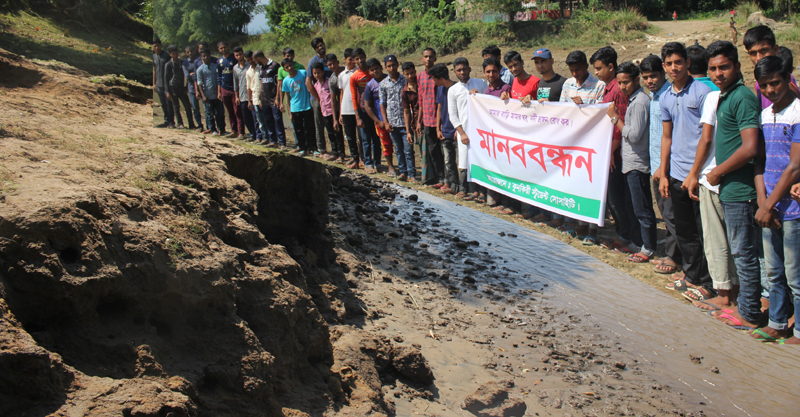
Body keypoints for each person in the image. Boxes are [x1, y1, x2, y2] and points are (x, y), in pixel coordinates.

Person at [702, 41, 763, 329]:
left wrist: (717, 172)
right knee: (740, 251)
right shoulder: (725, 97)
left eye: (724, 67)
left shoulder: (742, 97)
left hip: (741, 190)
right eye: (713, 69)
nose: (718, 73)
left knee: (744, 253)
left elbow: (750, 147)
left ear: (737, 67)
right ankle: (743, 306)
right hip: (730, 188)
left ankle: (748, 313)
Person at [657, 42, 714, 298]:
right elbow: (666, 137)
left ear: (688, 63)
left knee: (705, 232)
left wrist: (695, 172)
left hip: (700, 175)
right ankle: (692, 277)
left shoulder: (702, 93)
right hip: (677, 174)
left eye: (678, 62)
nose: (673, 67)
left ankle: (710, 282)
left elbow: (708, 136)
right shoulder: (666, 96)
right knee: (684, 230)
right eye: (668, 63)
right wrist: (663, 173)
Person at [752, 55, 800, 344]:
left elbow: (795, 165)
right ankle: (777, 322)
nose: (770, 90)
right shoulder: (765, 115)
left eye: (775, 83)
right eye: (765, 85)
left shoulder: (797, 112)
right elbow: (760, 162)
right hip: (768, 208)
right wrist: (763, 203)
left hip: (792, 208)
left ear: (787, 79)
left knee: (795, 275)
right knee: (774, 271)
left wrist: (770, 204)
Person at [606, 62, 656, 263]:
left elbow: (634, 136)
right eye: (619, 83)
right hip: (630, 162)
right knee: (634, 207)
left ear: (636, 80)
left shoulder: (640, 102)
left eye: (626, 82)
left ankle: (648, 247)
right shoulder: (634, 100)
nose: (622, 87)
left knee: (642, 209)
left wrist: (615, 119)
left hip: (637, 163)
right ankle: (638, 243)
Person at [592, 46, 638, 250]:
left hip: (616, 151)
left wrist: (610, 151)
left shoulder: (618, 90)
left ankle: (624, 235)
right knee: (613, 196)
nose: (596, 72)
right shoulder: (607, 88)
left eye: (599, 68)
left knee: (617, 196)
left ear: (611, 67)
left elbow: (618, 123)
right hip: (609, 148)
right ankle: (623, 232)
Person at [641, 54, 683, 275]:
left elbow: (673, 135)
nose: (650, 81)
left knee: (671, 214)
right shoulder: (653, 96)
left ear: (663, 73)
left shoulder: (669, 96)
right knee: (667, 214)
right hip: (656, 165)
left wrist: (663, 167)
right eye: (646, 77)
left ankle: (673, 257)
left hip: (667, 167)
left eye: (654, 76)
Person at [558, 50, 605, 230]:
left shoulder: (598, 85)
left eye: (578, 70)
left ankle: (591, 228)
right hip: (571, 141)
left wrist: (584, 107)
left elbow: (601, 113)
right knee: (572, 181)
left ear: (586, 66)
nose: (575, 74)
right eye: (572, 70)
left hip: (590, 143)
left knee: (589, 184)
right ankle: (573, 221)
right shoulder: (568, 84)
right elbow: (562, 108)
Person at [449, 58, 487, 199]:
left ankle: (481, 192)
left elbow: (489, 103)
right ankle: (463, 189)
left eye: (464, 69)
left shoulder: (481, 83)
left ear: (469, 69)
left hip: (480, 131)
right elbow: (453, 114)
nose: (462, 72)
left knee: (480, 161)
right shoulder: (453, 90)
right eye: (459, 70)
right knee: (464, 162)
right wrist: (461, 133)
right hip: (464, 131)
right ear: (454, 72)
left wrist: (480, 95)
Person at [744, 25, 799, 110]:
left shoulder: (785, 81)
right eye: (753, 53)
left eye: (764, 50)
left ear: (775, 49)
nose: (758, 58)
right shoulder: (760, 84)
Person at [380, 55, 415, 181]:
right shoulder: (383, 84)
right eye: (389, 66)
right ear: (385, 67)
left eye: (394, 65)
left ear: (397, 65)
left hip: (405, 122)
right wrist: (385, 122)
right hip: (392, 123)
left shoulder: (404, 80)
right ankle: (402, 172)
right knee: (398, 149)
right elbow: (383, 104)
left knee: (408, 150)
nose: (392, 68)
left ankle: (412, 174)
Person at [362, 58, 395, 175]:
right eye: (371, 70)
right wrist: (377, 121)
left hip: (396, 118)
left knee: (400, 144)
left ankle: (404, 167)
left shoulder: (391, 79)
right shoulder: (370, 86)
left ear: (381, 68)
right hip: (381, 120)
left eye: (376, 68)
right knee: (386, 144)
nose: (375, 71)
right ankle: (390, 167)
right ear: (369, 72)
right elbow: (367, 106)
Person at [417, 48, 445, 186]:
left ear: (435, 58)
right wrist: (418, 120)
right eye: (425, 57)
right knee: (432, 150)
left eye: (430, 57)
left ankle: (447, 178)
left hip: (440, 120)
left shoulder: (439, 76)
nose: (428, 59)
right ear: (422, 59)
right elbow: (421, 100)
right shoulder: (420, 76)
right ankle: (437, 177)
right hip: (427, 120)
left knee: (444, 150)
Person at [430, 63, 458, 194]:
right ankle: (449, 183)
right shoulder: (440, 89)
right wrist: (438, 127)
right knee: (448, 160)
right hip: (445, 129)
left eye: (434, 78)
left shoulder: (458, 88)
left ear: (439, 78)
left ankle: (459, 186)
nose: (433, 81)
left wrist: (459, 129)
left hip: (457, 131)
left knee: (460, 160)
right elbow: (439, 108)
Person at [350, 49, 379, 173]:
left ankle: (377, 162)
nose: (360, 61)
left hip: (376, 109)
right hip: (362, 110)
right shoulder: (354, 77)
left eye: (361, 57)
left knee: (377, 138)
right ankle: (368, 163)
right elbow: (354, 96)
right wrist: (357, 116)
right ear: (354, 61)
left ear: (365, 57)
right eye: (357, 59)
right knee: (365, 138)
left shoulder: (372, 71)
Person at [310, 61, 345, 163]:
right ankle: (335, 153)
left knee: (337, 133)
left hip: (333, 111)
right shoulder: (316, 85)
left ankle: (341, 155)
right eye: (314, 73)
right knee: (330, 133)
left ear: (323, 72)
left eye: (318, 73)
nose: (317, 75)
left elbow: (335, 97)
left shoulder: (329, 82)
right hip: (324, 113)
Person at [305, 37, 333, 157]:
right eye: (317, 47)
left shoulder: (329, 59)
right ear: (315, 49)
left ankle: (335, 150)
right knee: (319, 124)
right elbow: (308, 82)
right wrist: (317, 98)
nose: (320, 47)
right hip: (317, 99)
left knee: (331, 123)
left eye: (321, 45)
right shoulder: (313, 62)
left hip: (330, 98)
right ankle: (322, 149)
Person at [281, 59, 314, 156]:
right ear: (285, 69)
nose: (290, 68)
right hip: (295, 108)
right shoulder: (286, 81)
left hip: (307, 106)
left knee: (310, 128)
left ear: (293, 64)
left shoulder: (303, 73)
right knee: (299, 130)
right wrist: (290, 112)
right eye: (287, 67)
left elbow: (310, 86)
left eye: (290, 65)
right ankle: (302, 148)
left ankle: (313, 148)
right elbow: (288, 97)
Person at [254, 51, 286, 148]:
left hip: (273, 99)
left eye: (256, 60)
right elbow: (261, 84)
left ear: (259, 58)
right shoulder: (260, 68)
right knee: (268, 121)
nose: (255, 62)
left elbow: (279, 83)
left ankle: (282, 143)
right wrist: (259, 98)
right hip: (264, 100)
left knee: (278, 121)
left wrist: (278, 98)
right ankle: (273, 141)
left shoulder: (275, 65)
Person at [338, 48, 363, 169]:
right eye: (350, 59)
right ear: (345, 60)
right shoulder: (341, 75)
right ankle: (355, 158)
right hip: (346, 109)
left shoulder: (359, 72)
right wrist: (340, 113)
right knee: (350, 136)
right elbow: (342, 93)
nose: (353, 61)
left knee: (361, 136)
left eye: (354, 59)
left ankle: (363, 159)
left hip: (358, 109)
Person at [164, 45, 195, 130]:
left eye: (176, 53)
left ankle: (191, 124)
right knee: (176, 106)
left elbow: (187, 74)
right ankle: (180, 123)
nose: (175, 55)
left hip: (182, 87)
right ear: (170, 54)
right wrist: (167, 91)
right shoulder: (168, 64)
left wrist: (186, 86)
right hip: (172, 87)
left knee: (187, 106)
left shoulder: (183, 62)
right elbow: (166, 78)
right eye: (173, 54)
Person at [196, 49, 226, 135]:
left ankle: (222, 129)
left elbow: (219, 79)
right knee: (209, 113)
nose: (206, 58)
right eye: (203, 56)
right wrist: (203, 96)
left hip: (217, 94)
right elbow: (200, 84)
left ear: (210, 56)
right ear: (201, 58)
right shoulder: (200, 69)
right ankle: (213, 129)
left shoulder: (216, 66)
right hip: (207, 95)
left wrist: (220, 92)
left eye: (207, 56)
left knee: (220, 113)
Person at [401, 61, 421, 184]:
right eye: (407, 74)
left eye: (412, 73)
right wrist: (408, 131)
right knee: (409, 150)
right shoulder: (404, 91)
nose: (410, 76)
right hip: (414, 124)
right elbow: (406, 111)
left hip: (425, 121)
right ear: (403, 74)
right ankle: (412, 175)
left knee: (425, 151)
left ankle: (427, 177)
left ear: (415, 71)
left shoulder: (421, 85)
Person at [232, 47, 258, 141]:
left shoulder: (250, 65)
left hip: (253, 96)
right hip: (242, 96)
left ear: (243, 54)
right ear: (235, 56)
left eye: (240, 54)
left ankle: (258, 136)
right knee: (246, 118)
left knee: (255, 117)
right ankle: (252, 135)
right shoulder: (235, 68)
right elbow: (235, 83)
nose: (239, 56)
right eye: (237, 55)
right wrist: (236, 96)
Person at [325, 53, 346, 163]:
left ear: (338, 62)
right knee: (338, 131)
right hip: (341, 108)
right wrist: (335, 118)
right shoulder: (332, 80)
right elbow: (333, 100)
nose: (332, 66)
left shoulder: (347, 72)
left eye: (334, 63)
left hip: (353, 105)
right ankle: (341, 155)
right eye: (329, 65)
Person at [216, 41, 240, 139]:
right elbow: (218, 77)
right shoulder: (219, 61)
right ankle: (234, 131)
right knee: (230, 112)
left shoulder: (234, 58)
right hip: (224, 88)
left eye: (224, 47)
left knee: (237, 111)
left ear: (228, 47)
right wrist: (219, 92)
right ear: (219, 50)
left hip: (234, 89)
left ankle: (241, 131)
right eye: (221, 48)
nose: (223, 49)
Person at [276, 47, 304, 119]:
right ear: (284, 56)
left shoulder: (300, 67)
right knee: (294, 121)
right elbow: (280, 86)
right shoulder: (281, 70)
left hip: (302, 99)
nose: (290, 57)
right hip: (291, 101)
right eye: (288, 56)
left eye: (291, 55)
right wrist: (280, 101)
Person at [246, 51, 266, 144]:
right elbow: (248, 87)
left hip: (264, 97)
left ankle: (269, 138)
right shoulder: (248, 72)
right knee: (258, 120)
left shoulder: (261, 68)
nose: (250, 61)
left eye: (251, 59)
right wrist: (249, 101)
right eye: (248, 60)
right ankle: (261, 137)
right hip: (254, 98)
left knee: (267, 119)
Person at [152, 39, 174, 128]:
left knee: (169, 103)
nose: (156, 48)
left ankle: (171, 122)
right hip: (159, 84)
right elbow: (154, 70)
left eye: (158, 46)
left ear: (161, 46)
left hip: (167, 84)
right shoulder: (154, 56)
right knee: (163, 103)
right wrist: (154, 83)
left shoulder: (166, 56)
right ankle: (166, 121)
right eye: (154, 46)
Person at [183, 45, 204, 131]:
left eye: (191, 51)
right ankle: (199, 125)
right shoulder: (185, 63)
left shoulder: (200, 60)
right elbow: (187, 76)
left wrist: (193, 74)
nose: (190, 53)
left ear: (194, 51)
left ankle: (210, 126)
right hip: (191, 88)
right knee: (195, 108)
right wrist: (196, 75)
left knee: (206, 108)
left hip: (202, 87)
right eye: (188, 52)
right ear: (186, 53)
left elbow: (203, 73)